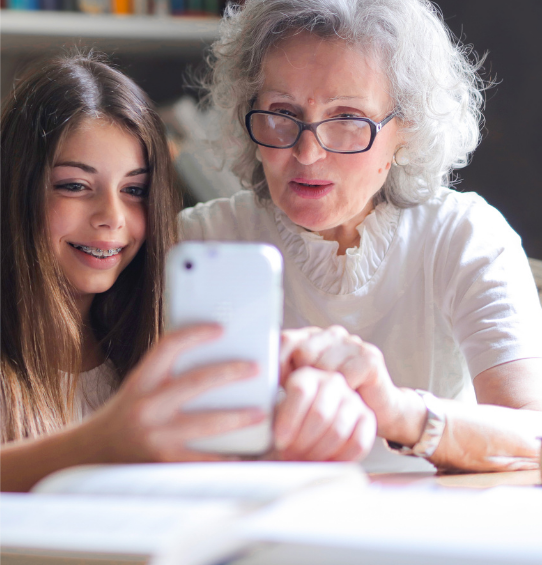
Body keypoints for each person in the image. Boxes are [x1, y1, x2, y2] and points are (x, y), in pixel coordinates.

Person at [180, 0, 542, 472]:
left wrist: (397, 411)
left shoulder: (463, 235)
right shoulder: (201, 243)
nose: (307, 152)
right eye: (282, 114)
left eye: (347, 119)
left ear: (405, 130)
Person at [0, 52, 376, 492]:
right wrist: (103, 444)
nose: (111, 217)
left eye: (135, 190)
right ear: (16, 188)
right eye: (75, 186)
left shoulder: (149, 346)